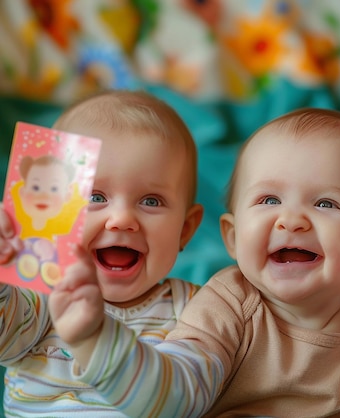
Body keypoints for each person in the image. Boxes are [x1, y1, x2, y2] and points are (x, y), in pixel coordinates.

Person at [48, 107, 340, 417]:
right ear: (232, 236)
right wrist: (96, 341)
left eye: (325, 204)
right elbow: (174, 398)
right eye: (269, 199)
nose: (291, 220)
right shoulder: (226, 308)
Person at [0, 90, 204, 416]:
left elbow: (184, 402)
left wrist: (93, 336)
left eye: (151, 201)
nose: (122, 218)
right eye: (95, 196)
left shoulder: (196, 312)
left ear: (185, 229)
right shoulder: (39, 295)